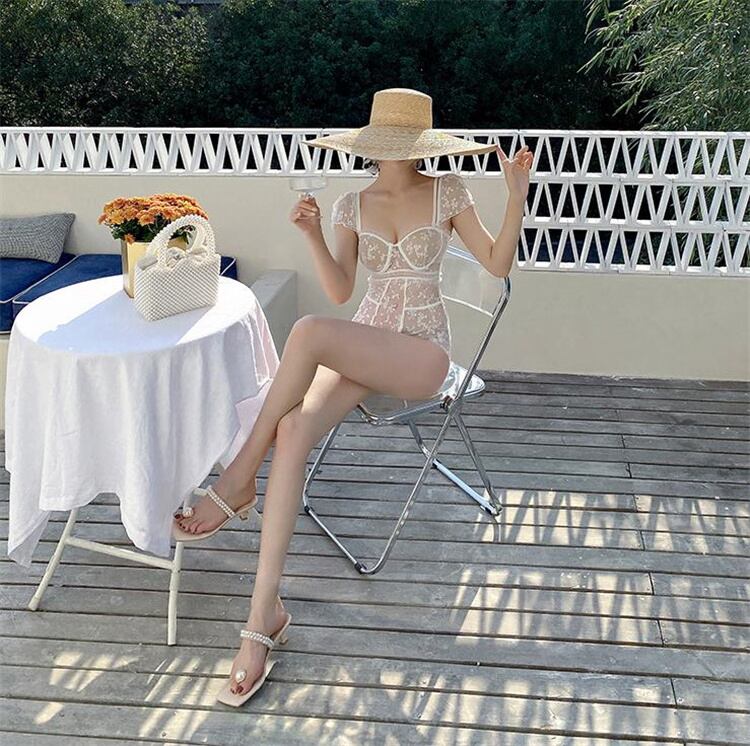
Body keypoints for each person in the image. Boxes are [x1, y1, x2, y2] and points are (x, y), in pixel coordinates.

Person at [172, 87, 532, 706]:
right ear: (372, 143)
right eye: (388, 142)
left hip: (421, 355)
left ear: (421, 146)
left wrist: (516, 193)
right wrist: (313, 233)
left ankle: (238, 476)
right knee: (292, 429)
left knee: (310, 332)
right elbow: (342, 290)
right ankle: (263, 617)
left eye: (406, 143)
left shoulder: (447, 192)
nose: (396, 152)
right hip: (366, 343)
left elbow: (498, 266)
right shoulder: (350, 204)